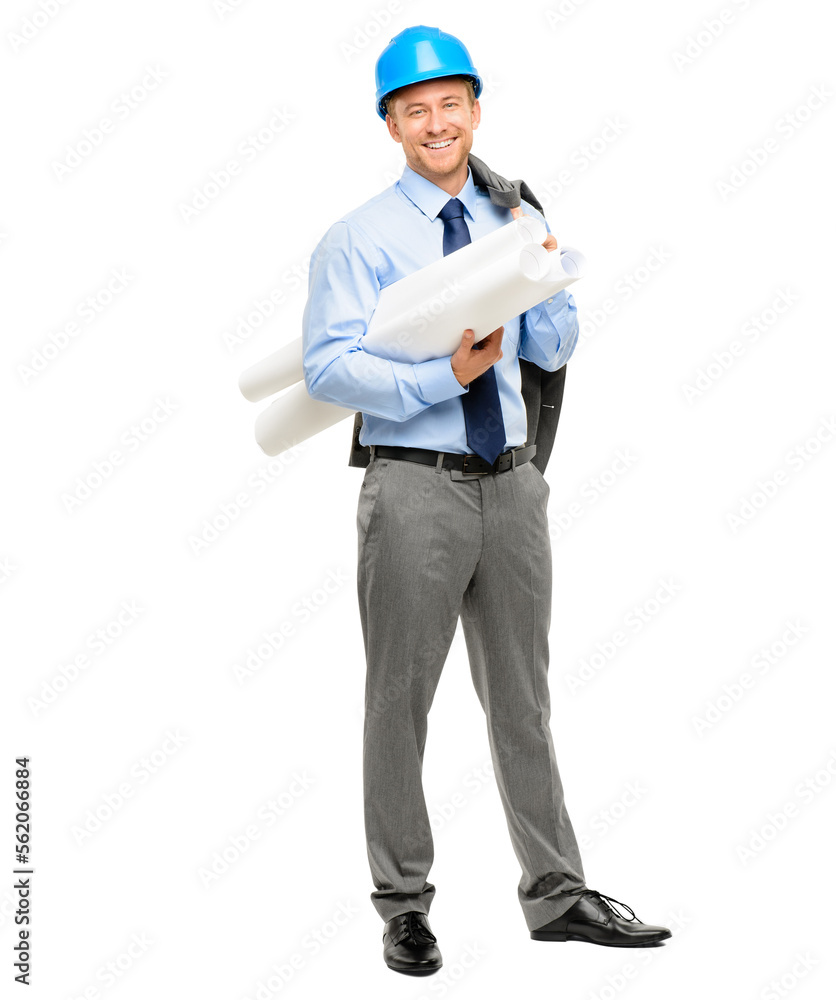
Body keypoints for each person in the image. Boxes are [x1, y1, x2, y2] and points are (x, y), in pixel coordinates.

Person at [302, 24, 672, 976]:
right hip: (413, 489)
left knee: (524, 701)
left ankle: (557, 896)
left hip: (510, 487)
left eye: (450, 102)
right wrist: (438, 378)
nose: (436, 122)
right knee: (400, 703)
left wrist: (538, 267)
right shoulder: (356, 239)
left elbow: (552, 348)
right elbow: (328, 365)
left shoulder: (514, 214)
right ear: (391, 124)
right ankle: (403, 905)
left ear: (474, 109)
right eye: (414, 108)